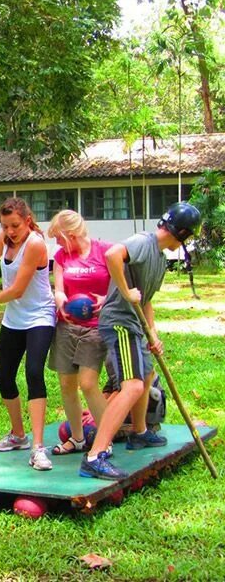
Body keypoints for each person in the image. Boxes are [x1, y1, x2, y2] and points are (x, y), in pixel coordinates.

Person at [80, 202, 201, 480]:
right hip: (119, 323)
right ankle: (95, 456)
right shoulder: (144, 242)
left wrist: (153, 335)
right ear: (181, 232)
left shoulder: (159, 257)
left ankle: (140, 432)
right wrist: (125, 291)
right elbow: (112, 255)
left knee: (146, 376)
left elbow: (145, 300)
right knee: (132, 386)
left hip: (135, 325)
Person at [0, 197, 55, 471]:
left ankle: (38, 447)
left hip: (40, 316)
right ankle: (18, 435)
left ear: (27, 220)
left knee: (34, 372)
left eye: (15, 225)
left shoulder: (36, 244)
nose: (10, 231)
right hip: (14, 320)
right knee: (4, 376)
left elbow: (17, 290)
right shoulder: (5, 238)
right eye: (5, 226)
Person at [47, 210, 112, 455]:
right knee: (66, 384)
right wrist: (60, 299)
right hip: (67, 327)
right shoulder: (62, 256)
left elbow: (122, 283)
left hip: (95, 328)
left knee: (88, 383)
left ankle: (105, 441)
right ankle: (77, 438)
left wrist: (106, 299)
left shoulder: (105, 250)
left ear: (71, 235)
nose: (57, 243)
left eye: (59, 238)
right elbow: (59, 288)